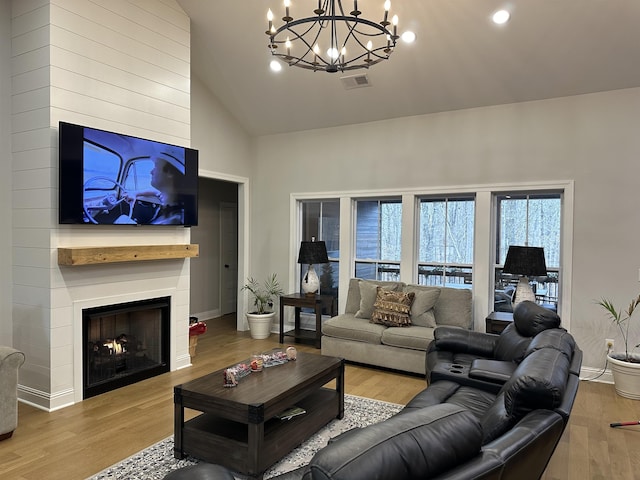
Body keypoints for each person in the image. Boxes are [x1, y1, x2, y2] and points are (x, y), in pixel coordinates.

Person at [123, 152, 187, 224]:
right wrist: (135, 193)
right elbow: (155, 192)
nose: (151, 172)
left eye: (156, 166)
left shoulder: (175, 220)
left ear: (169, 172)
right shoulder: (170, 199)